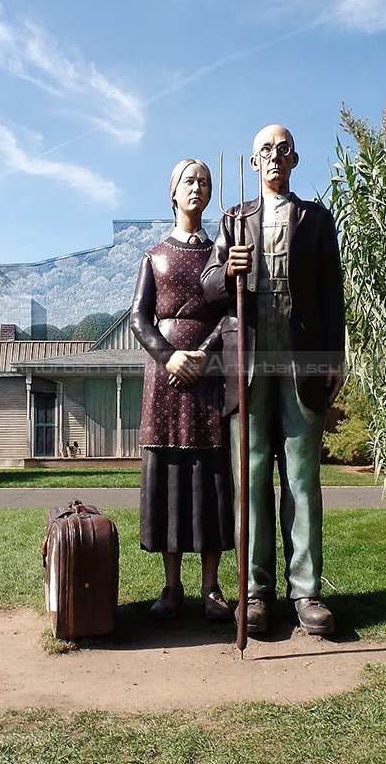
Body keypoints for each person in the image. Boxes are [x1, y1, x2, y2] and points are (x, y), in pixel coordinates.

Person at [201, 125, 345, 635]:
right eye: (266, 151)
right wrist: (227, 272)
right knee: (252, 477)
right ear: (254, 161)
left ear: (296, 159)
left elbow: (332, 293)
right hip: (249, 364)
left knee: (302, 479)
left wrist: (335, 358)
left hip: (302, 362)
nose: (275, 158)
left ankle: (306, 592)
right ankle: (255, 592)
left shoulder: (317, 219)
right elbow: (210, 284)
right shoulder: (235, 220)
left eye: (283, 150)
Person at [130, 158, 234, 622]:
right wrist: (167, 354)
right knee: (171, 475)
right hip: (164, 377)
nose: (198, 188)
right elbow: (138, 318)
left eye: (205, 182)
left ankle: (211, 587)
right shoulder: (153, 256)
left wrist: (206, 354)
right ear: (172, 192)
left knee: (211, 476)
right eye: (189, 181)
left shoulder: (221, 257)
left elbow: (232, 313)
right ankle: (172, 586)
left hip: (210, 378)